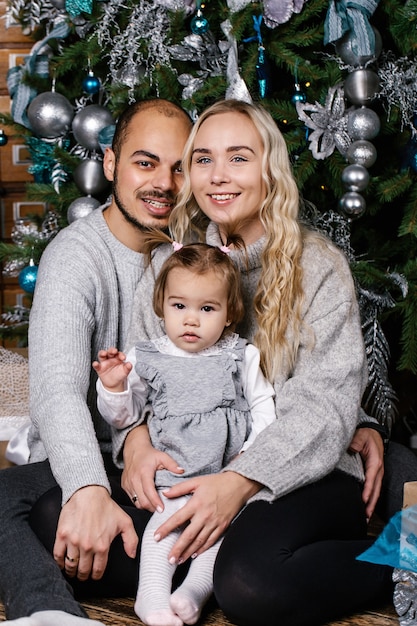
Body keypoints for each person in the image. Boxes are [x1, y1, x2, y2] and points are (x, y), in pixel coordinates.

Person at [121, 98, 395, 626]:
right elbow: (141, 376)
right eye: (203, 159)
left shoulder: (316, 266)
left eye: (238, 158)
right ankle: (197, 568)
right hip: (193, 465)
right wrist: (134, 445)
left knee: (252, 584)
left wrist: (239, 481)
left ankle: (400, 554)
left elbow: (325, 406)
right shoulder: (170, 266)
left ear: (270, 170)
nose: (218, 176)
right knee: (62, 520)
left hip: (302, 473)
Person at [0, 99, 192, 625]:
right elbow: (57, 390)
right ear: (110, 163)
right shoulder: (77, 256)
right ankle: (51, 614)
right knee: (22, 506)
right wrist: (87, 488)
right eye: (146, 162)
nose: (164, 184)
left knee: (41, 522)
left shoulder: (196, 254)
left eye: (180, 167)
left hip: (183, 461)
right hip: (90, 453)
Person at [93, 239, 276, 626]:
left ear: (229, 314)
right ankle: (152, 596)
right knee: (166, 528)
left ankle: (193, 591)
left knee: (219, 534)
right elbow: (125, 418)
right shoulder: (147, 355)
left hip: (224, 476)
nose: (191, 320)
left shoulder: (240, 355)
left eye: (206, 308)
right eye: (179, 306)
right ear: (161, 306)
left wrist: (250, 457)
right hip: (171, 476)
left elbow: (263, 407)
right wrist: (113, 387)